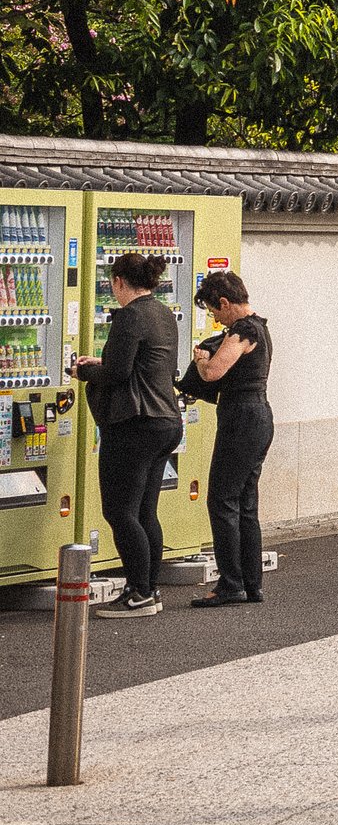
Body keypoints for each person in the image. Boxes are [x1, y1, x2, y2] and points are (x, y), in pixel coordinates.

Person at [72, 254, 183, 617]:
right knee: (145, 511)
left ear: (119, 281)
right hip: (166, 420)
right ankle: (150, 589)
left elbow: (119, 372)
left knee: (119, 512)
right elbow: (140, 367)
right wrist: (101, 367)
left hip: (135, 423)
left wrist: (85, 372)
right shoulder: (163, 313)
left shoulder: (131, 316)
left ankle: (138, 593)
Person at [186, 270, 272, 607]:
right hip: (260, 415)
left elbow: (214, 372)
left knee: (221, 499)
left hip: (241, 418)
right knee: (246, 503)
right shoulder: (261, 327)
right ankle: (252, 583)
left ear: (224, 302)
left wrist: (202, 359)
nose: (215, 318)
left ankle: (230, 583)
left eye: (213, 311)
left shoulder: (243, 330)